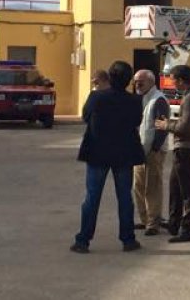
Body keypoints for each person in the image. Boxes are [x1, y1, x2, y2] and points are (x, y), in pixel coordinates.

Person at [72, 61, 145, 254]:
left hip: (98, 153)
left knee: (92, 197)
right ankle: (128, 239)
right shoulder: (135, 101)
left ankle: (83, 240)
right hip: (124, 153)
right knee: (124, 197)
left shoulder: (97, 97)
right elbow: (137, 121)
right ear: (129, 80)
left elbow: (85, 117)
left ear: (110, 78)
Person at [155, 65, 190, 243]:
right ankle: (174, 222)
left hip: (186, 148)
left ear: (181, 80)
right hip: (186, 147)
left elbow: (185, 127)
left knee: (188, 190)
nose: (172, 83)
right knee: (175, 187)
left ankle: (189, 227)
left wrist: (166, 125)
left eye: (173, 80)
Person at [132, 69, 170, 236]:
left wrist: (155, 149)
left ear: (151, 82)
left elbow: (162, 127)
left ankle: (153, 223)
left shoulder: (158, 100)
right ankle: (144, 219)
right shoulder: (142, 99)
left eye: (141, 81)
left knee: (152, 187)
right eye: (136, 81)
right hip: (140, 151)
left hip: (153, 151)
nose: (137, 84)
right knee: (138, 187)